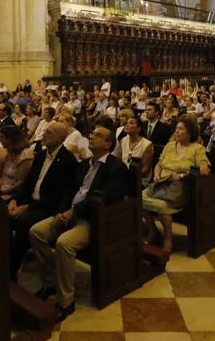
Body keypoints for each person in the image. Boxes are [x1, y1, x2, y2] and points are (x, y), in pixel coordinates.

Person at [29, 126, 128, 321]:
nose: (91, 137)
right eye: (91, 134)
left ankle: (67, 300)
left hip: (91, 220)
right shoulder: (83, 164)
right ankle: (50, 282)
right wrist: (62, 211)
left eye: (97, 135)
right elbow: (69, 191)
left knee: (64, 243)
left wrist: (73, 211)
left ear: (108, 143)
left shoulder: (116, 168)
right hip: (68, 213)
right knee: (36, 232)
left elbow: (103, 197)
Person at [10, 122, 78, 278]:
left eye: (48, 133)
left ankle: (11, 269)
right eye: (45, 132)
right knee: (1, 211)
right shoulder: (41, 155)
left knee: (23, 221)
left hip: (47, 206)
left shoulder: (67, 160)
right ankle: (6, 255)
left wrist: (26, 207)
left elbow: (58, 195)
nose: (43, 135)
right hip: (30, 201)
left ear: (60, 138)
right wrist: (15, 200)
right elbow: (28, 183)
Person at [142, 114, 210, 253]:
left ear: (190, 133)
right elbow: (159, 164)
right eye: (176, 129)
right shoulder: (170, 145)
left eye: (180, 129)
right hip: (161, 183)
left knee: (162, 206)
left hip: (181, 188)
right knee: (139, 198)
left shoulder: (197, 149)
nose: (176, 132)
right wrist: (156, 174)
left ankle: (168, 239)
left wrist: (181, 176)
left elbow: (204, 170)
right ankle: (153, 230)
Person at [118, 116, 153, 185]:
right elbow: (119, 161)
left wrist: (130, 177)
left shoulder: (147, 144)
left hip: (140, 178)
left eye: (131, 123)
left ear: (138, 128)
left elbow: (146, 168)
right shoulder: (123, 140)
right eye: (127, 123)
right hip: (124, 176)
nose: (127, 125)